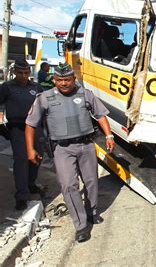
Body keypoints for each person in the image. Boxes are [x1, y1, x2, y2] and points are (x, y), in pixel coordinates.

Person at [25, 62, 115, 243]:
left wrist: (109, 135)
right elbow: (30, 124)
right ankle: (81, 225)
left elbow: (100, 115)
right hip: (62, 149)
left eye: (67, 80)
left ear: (74, 79)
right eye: (59, 80)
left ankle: (92, 212)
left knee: (91, 181)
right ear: (54, 80)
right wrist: (30, 149)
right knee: (68, 185)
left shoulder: (85, 94)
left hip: (86, 145)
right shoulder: (44, 97)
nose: (63, 83)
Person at [0, 59, 44, 211]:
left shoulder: (36, 87)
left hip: (36, 128)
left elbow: (45, 107)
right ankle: (22, 196)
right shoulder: (6, 87)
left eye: (26, 73)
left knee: (36, 158)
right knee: (21, 161)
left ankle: (31, 184)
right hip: (17, 129)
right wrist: (2, 128)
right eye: (20, 73)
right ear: (15, 72)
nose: (24, 76)